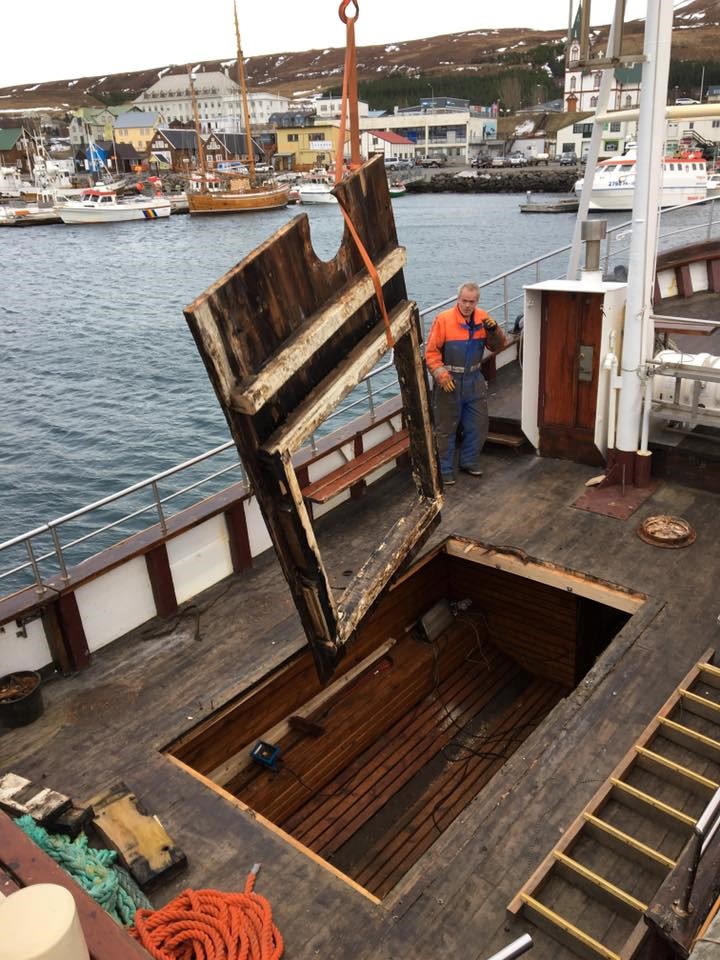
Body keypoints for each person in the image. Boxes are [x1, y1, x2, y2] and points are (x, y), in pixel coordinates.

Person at [425, 282, 506, 485]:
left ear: (477, 301)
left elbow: (497, 346)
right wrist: (441, 375)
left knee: (478, 425)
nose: (468, 305)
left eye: (472, 302)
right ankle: (444, 470)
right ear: (457, 299)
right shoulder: (443, 320)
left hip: (474, 380)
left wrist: (494, 331)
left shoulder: (484, 318)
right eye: (464, 301)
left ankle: (468, 461)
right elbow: (431, 353)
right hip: (449, 382)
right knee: (445, 428)